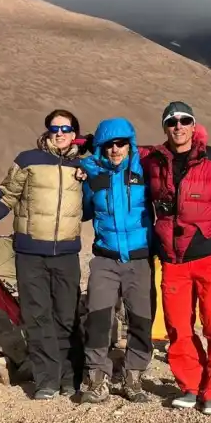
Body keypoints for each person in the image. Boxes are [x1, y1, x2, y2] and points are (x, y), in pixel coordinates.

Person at [141, 101, 211, 415]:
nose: (178, 127)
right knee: (178, 327)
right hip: (173, 261)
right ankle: (190, 385)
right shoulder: (154, 160)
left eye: (184, 120)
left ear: (194, 125)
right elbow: (120, 148)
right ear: (165, 128)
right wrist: (83, 145)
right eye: (171, 122)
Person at [0, 109, 86, 400]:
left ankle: (70, 377)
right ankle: (46, 379)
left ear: (75, 134)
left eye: (65, 128)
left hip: (67, 253)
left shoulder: (84, 166)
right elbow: (6, 194)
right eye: (53, 128)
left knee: (66, 315)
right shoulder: (28, 160)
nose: (59, 133)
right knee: (37, 315)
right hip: (30, 252)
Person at [79, 117, 154, 404]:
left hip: (140, 258)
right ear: (100, 148)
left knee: (141, 318)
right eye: (108, 144)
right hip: (105, 258)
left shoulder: (145, 170)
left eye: (121, 143)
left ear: (130, 145)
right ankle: (98, 378)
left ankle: (133, 377)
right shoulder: (92, 174)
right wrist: (82, 174)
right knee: (98, 318)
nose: (115, 149)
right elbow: (85, 212)